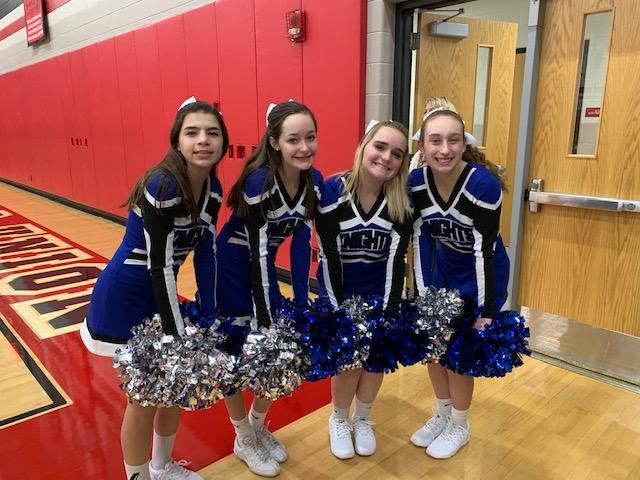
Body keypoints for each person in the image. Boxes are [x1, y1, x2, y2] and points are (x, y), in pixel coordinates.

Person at [80, 98, 229, 480]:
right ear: (177, 141)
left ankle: (162, 467)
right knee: (144, 398)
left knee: (172, 384)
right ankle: (139, 477)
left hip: (161, 296)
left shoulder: (213, 188)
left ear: (223, 142)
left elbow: (206, 253)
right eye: (192, 132)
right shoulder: (162, 184)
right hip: (126, 298)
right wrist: (176, 332)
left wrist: (209, 312)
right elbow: (159, 265)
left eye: (212, 133)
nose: (203, 140)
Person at [216, 100, 323, 477]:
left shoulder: (313, 180)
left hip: (262, 269)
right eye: (293, 139)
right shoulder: (260, 181)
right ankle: (243, 436)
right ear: (275, 142)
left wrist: (301, 302)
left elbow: (301, 243)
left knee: (281, 351)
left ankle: (258, 426)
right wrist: (265, 318)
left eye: (310, 137)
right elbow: (258, 252)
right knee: (233, 352)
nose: (304, 147)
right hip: (233, 266)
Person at [408, 108, 509, 459]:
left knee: (458, 355)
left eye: (454, 140)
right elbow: (420, 240)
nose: (444, 149)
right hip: (444, 272)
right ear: (422, 146)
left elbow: (484, 251)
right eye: (435, 140)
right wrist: (423, 296)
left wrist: (486, 310)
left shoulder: (483, 185)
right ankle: (442, 414)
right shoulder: (417, 183)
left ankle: (460, 425)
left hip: (483, 275)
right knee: (434, 348)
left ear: (464, 144)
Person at [316, 120, 412, 459]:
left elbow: (396, 261)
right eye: (380, 147)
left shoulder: (400, 201)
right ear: (363, 147)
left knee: (375, 361)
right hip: (340, 294)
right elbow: (328, 257)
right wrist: (338, 311)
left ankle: (363, 418)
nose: (386, 157)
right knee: (349, 363)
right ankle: (339, 419)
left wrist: (389, 311)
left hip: (380, 295)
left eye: (397, 154)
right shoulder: (333, 191)